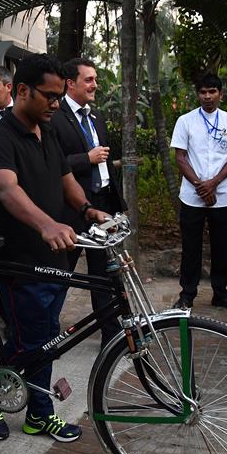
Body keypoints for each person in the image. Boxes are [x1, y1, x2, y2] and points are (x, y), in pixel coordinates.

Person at [0, 54, 110, 442]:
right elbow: (6, 189)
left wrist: (86, 209)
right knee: (29, 341)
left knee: (46, 339)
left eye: (59, 96)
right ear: (23, 91)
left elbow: (66, 179)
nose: (55, 104)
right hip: (18, 261)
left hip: (54, 256)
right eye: (49, 96)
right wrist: (46, 224)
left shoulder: (48, 132)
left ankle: (38, 414)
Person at [51, 58, 127, 347]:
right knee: (61, 272)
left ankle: (111, 333)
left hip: (102, 204)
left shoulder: (96, 116)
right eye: (89, 79)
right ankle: (45, 327)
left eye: (95, 79)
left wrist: (116, 203)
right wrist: (87, 158)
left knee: (104, 272)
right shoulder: (55, 117)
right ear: (70, 84)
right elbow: (53, 163)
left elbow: (107, 162)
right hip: (72, 209)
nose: (95, 84)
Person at [170, 73, 227, 312]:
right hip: (192, 196)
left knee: (222, 247)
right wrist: (200, 186)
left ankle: (220, 294)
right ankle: (187, 295)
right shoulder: (185, 121)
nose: (207, 96)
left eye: (212, 91)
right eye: (203, 92)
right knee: (191, 248)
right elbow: (180, 157)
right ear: (197, 94)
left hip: (222, 196)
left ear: (220, 94)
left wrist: (213, 183)